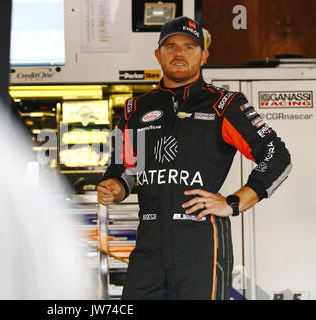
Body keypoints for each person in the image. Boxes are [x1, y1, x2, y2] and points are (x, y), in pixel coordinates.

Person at [97, 16, 291, 300]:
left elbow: (277, 156)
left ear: (203, 56)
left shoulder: (225, 104)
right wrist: (114, 185)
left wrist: (234, 202)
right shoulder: (133, 109)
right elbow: (124, 167)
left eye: (189, 47)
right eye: (171, 46)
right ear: (158, 54)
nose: (179, 53)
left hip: (201, 247)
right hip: (149, 247)